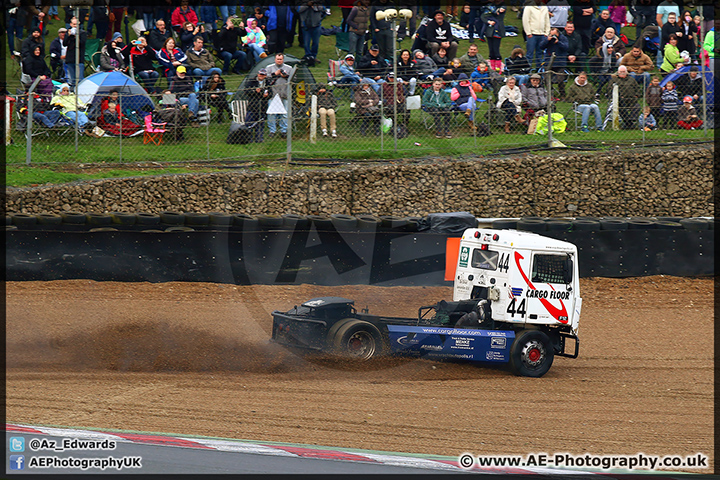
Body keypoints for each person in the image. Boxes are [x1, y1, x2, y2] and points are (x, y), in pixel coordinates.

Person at [265, 53, 292, 137]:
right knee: (271, 113)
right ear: (275, 59)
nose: (279, 61)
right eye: (278, 59)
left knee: (284, 113)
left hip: (285, 94)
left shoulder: (289, 68)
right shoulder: (269, 68)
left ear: (283, 59)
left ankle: (284, 130)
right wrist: (275, 74)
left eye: (281, 59)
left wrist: (286, 76)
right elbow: (265, 78)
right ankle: (272, 131)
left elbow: (293, 79)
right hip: (273, 94)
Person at [539, 26, 569, 98]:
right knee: (546, 79)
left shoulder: (563, 38)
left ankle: (562, 95)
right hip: (549, 63)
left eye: (554, 34)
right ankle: (550, 94)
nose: (553, 36)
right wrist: (547, 40)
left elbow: (566, 47)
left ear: (558, 34)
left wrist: (558, 42)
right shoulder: (548, 38)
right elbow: (541, 46)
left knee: (560, 80)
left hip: (560, 63)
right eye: (551, 34)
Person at [522, 0, 550, 70]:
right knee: (530, 53)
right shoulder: (529, 7)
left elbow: (547, 20)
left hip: (542, 34)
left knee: (539, 53)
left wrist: (546, 33)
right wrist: (528, 33)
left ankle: (539, 69)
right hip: (532, 34)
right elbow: (525, 20)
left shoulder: (544, 8)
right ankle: (528, 69)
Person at [245, 68, 271, 142]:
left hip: (262, 106)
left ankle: (259, 138)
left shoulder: (267, 83)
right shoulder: (251, 82)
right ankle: (248, 138)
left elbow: (271, 93)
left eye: (263, 75)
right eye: (260, 74)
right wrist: (254, 91)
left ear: (265, 75)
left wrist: (267, 95)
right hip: (252, 106)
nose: (261, 76)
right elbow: (246, 91)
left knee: (260, 123)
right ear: (257, 74)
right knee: (249, 123)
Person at [298, 0, 325, 66]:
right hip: (305, 26)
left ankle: (314, 56)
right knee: (306, 42)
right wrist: (307, 5)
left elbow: (323, 9)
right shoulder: (302, 3)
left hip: (316, 25)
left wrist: (315, 5)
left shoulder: (318, 3)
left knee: (315, 42)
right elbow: (299, 10)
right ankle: (308, 56)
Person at [64, 17, 86, 88]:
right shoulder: (68, 32)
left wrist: (76, 36)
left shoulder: (82, 33)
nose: (75, 26)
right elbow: (64, 43)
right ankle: (73, 93)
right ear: (70, 24)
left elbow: (82, 43)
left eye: (76, 24)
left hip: (79, 59)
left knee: (79, 79)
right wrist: (69, 36)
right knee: (72, 80)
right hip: (70, 58)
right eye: (73, 24)